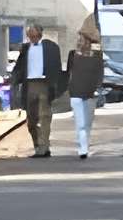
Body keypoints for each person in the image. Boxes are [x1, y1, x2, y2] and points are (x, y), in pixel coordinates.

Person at [7, 24, 64, 158]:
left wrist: (55, 85)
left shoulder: (51, 48)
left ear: (40, 34)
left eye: (35, 36)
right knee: (31, 120)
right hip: (29, 85)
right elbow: (19, 67)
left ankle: (44, 147)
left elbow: (57, 67)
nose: (33, 38)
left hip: (44, 83)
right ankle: (37, 145)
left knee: (44, 116)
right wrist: (14, 81)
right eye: (30, 36)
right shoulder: (25, 49)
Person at [67, 23, 107, 160]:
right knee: (83, 123)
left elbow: (99, 72)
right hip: (82, 92)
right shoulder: (76, 55)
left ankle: (83, 146)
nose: (80, 40)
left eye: (81, 38)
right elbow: (69, 73)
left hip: (84, 91)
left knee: (84, 123)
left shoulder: (93, 55)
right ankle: (83, 148)